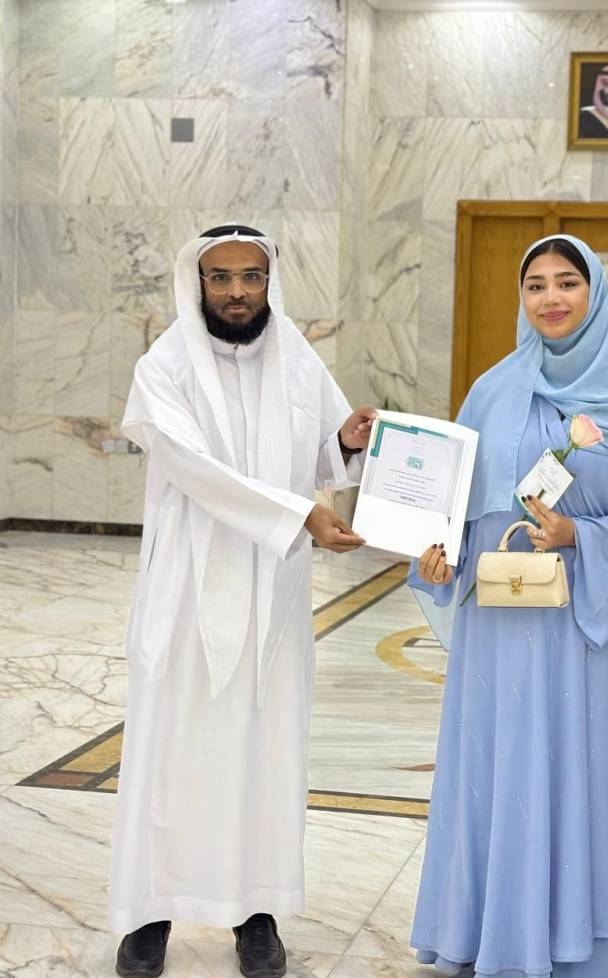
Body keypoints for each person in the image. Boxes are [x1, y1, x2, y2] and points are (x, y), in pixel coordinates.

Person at [109, 224, 376, 978]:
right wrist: (299, 515)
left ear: (269, 282)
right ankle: (149, 915)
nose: (236, 292)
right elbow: (194, 469)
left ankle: (256, 913)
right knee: (170, 751)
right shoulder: (164, 366)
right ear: (197, 284)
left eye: (250, 276)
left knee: (264, 753)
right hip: (186, 591)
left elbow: (320, 453)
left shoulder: (297, 361)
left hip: (272, 594)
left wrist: (347, 442)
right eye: (220, 277)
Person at [410, 235, 608, 978]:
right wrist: (437, 557)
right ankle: (484, 935)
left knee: (568, 767)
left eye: (567, 283)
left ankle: (576, 946)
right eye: (535, 285)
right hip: (496, 624)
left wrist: (579, 535)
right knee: (496, 766)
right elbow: (456, 501)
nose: (550, 298)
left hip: (577, 624)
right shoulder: (491, 392)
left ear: (595, 294)